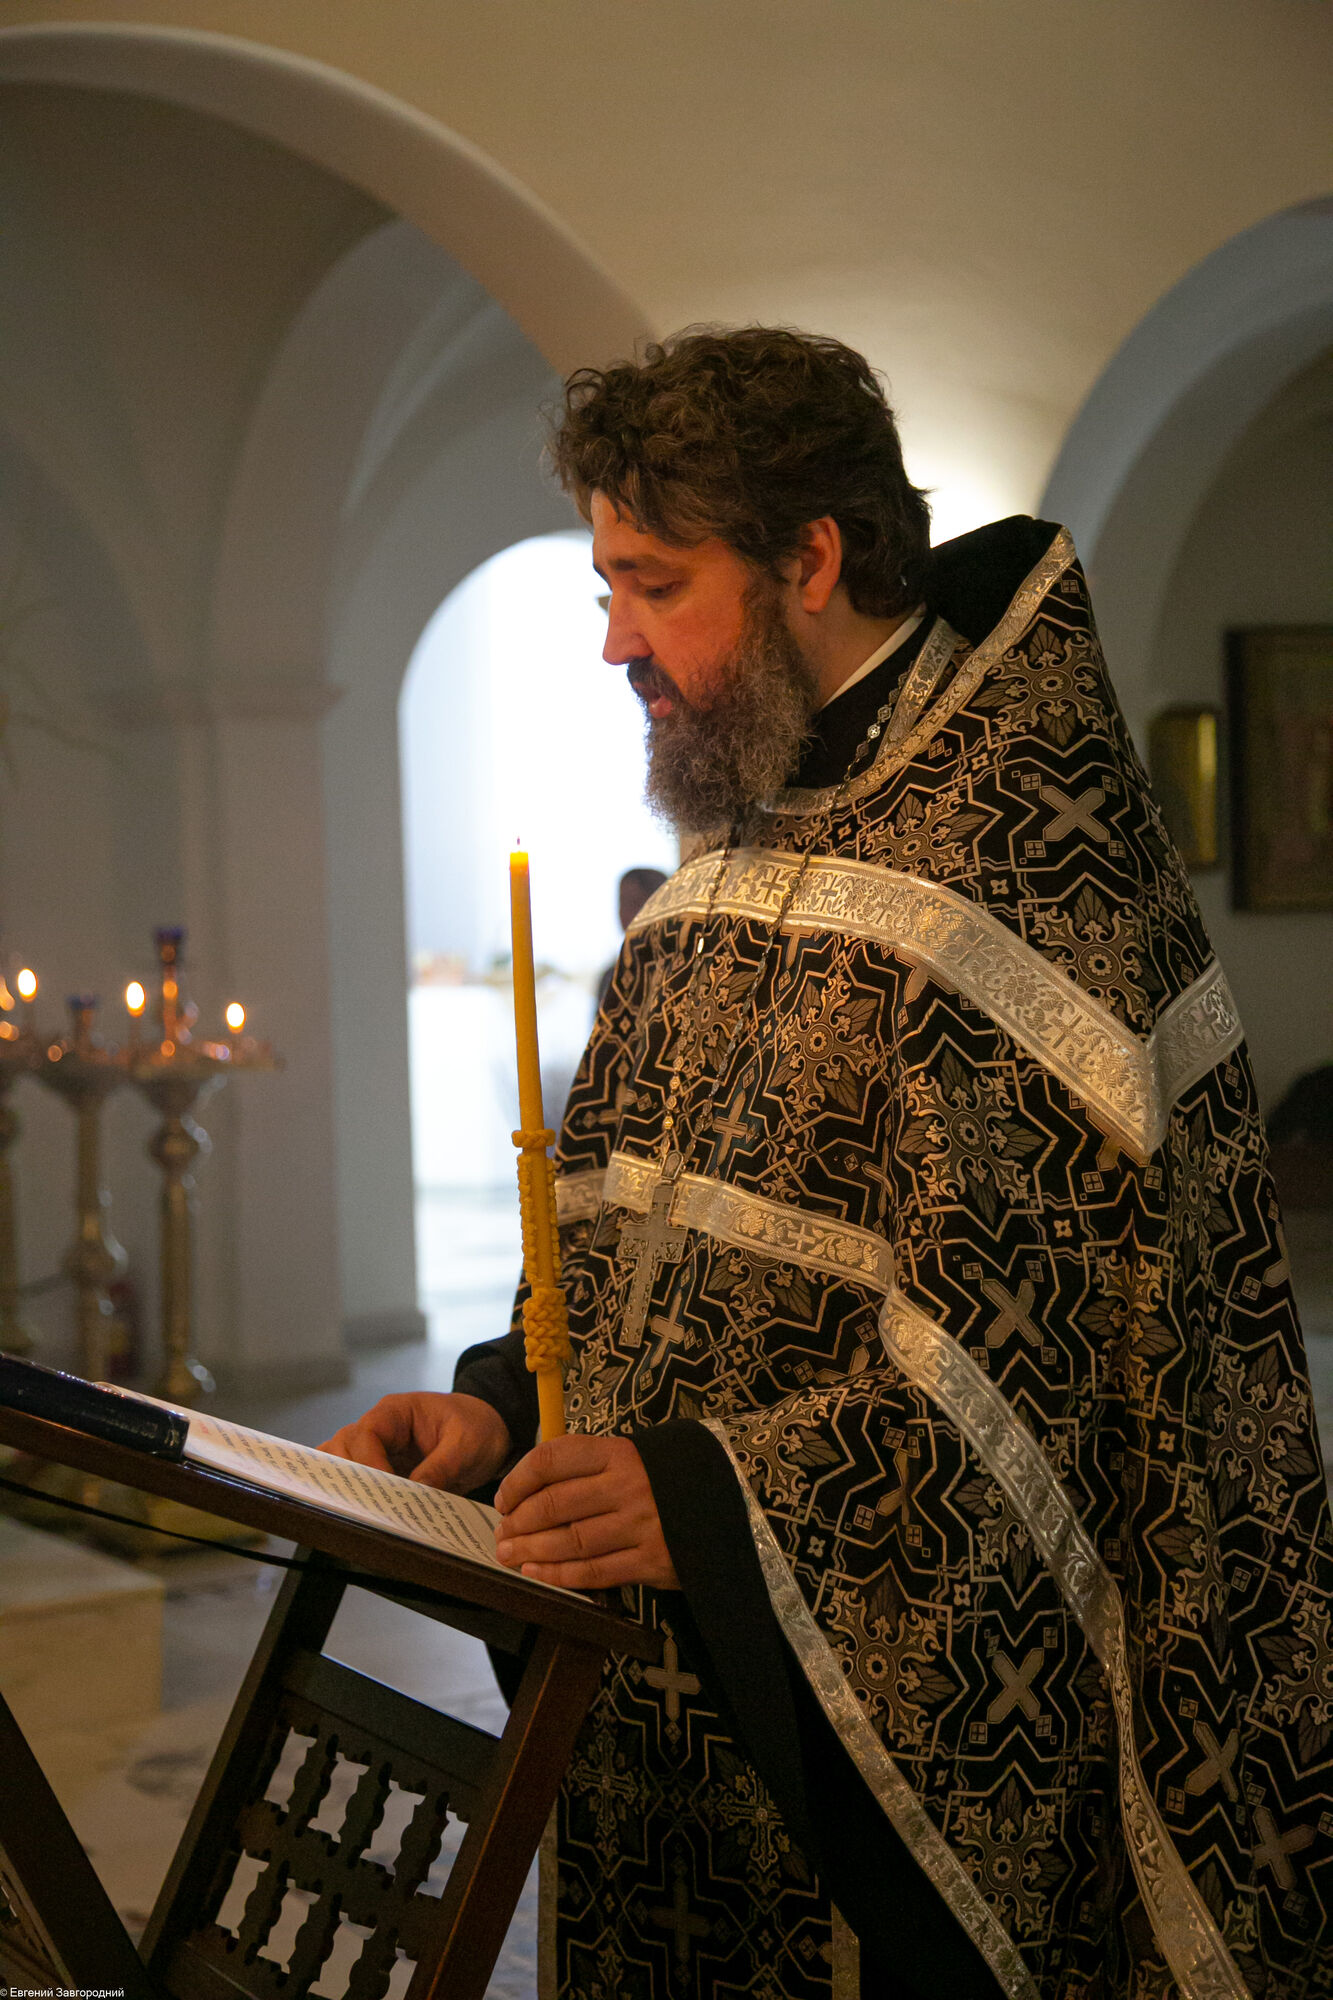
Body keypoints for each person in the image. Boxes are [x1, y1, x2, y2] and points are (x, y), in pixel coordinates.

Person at [324, 328, 1333, 1998]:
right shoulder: (730, 857)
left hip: (907, 1787)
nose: (612, 641)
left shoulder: (1027, 880)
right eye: (603, 587)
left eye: (654, 586)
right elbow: (628, 1265)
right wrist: (506, 1410)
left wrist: (704, 1503)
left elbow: (1049, 1400)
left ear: (808, 557)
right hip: (665, 1728)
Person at [596, 866, 670, 1011]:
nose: (625, 912)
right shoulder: (612, 976)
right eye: (622, 902)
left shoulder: (675, 969)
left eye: (634, 903)